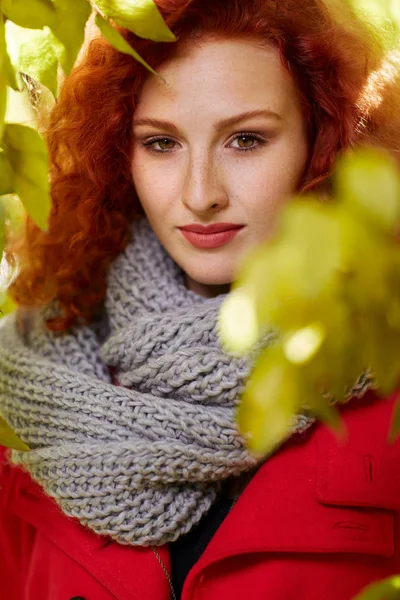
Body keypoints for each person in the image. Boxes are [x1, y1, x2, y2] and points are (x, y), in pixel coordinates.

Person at [1, 0, 400, 598]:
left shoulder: (384, 365)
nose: (200, 194)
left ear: (324, 141)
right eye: (161, 143)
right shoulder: (31, 376)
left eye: (245, 139)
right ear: (117, 152)